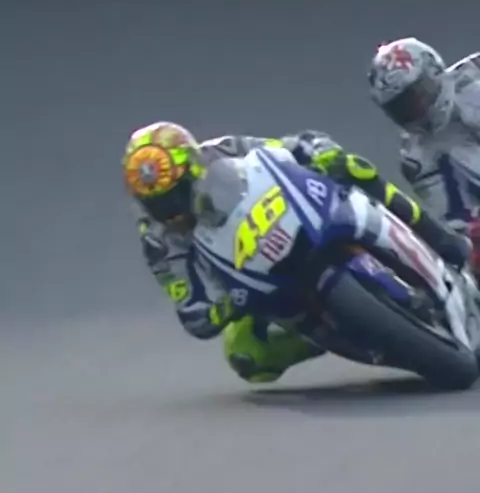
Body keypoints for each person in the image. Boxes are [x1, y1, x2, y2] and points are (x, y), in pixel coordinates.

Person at [122, 121, 470, 383]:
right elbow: (191, 311)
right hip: (245, 278)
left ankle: (442, 239)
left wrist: (320, 151)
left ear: (194, 169)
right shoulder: (157, 239)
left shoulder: (223, 149)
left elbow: (289, 146)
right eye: (158, 203)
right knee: (246, 356)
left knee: (353, 167)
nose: (170, 210)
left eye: (176, 194)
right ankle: (342, 340)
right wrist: (225, 306)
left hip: (287, 216)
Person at [368, 35, 480, 276]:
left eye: (419, 93)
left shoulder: (475, 72)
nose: (419, 108)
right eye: (404, 106)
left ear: (434, 70)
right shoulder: (416, 159)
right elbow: (457, 217)